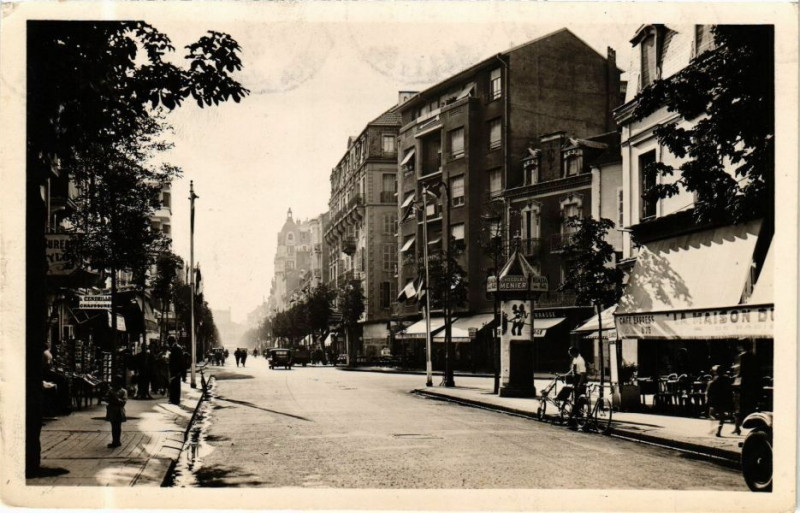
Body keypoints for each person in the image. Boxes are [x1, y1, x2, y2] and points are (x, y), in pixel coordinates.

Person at [732, 339, 760, 435]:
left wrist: (733, 379)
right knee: (751, 406)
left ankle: (737, 428)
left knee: (738, 408)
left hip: (741, 385)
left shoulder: (741, 357)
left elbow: (738, 373)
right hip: (752, 385)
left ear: (741, 346)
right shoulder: (754, 356)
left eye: (738, 346)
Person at [706, 365, 734, 437]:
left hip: (715, 399)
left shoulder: (714, 380)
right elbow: (730, 390)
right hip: (723, 399)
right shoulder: (727, 379)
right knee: (722, 416)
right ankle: (718, 431)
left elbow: (709, 390)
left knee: (712, 414)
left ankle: (714, 427)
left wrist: (707, 399)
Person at [105, 375, 127, 448]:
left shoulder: (123, 391)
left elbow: (123, 402)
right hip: (112, 410)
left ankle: (117, 441)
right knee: (113, 426)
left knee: (118, 426)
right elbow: (106, 399)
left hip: (118, 410)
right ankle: (114, 441)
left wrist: (115, 397)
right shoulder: (111, 390)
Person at [168, 338, 184, 405]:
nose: (169, 344)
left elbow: (176, 360)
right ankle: (174, 400)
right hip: (177, 370)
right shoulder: (178, 347)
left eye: (169, 342)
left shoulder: (175, 348)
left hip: (175, 370)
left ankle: (174, 400)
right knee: (175, 385)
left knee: (175, 385)